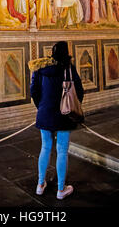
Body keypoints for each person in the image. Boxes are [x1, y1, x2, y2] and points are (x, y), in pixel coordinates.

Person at [30, 41, 84, 200]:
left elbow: (34, 90)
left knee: (45, 147)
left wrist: (41, 107)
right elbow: (79, 91)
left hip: (45, 112)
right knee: (62, 151)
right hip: (64, 114)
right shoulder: (69, 68)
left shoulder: (40, 68)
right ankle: (61, 189)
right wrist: (73, 108)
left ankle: (40, 185)